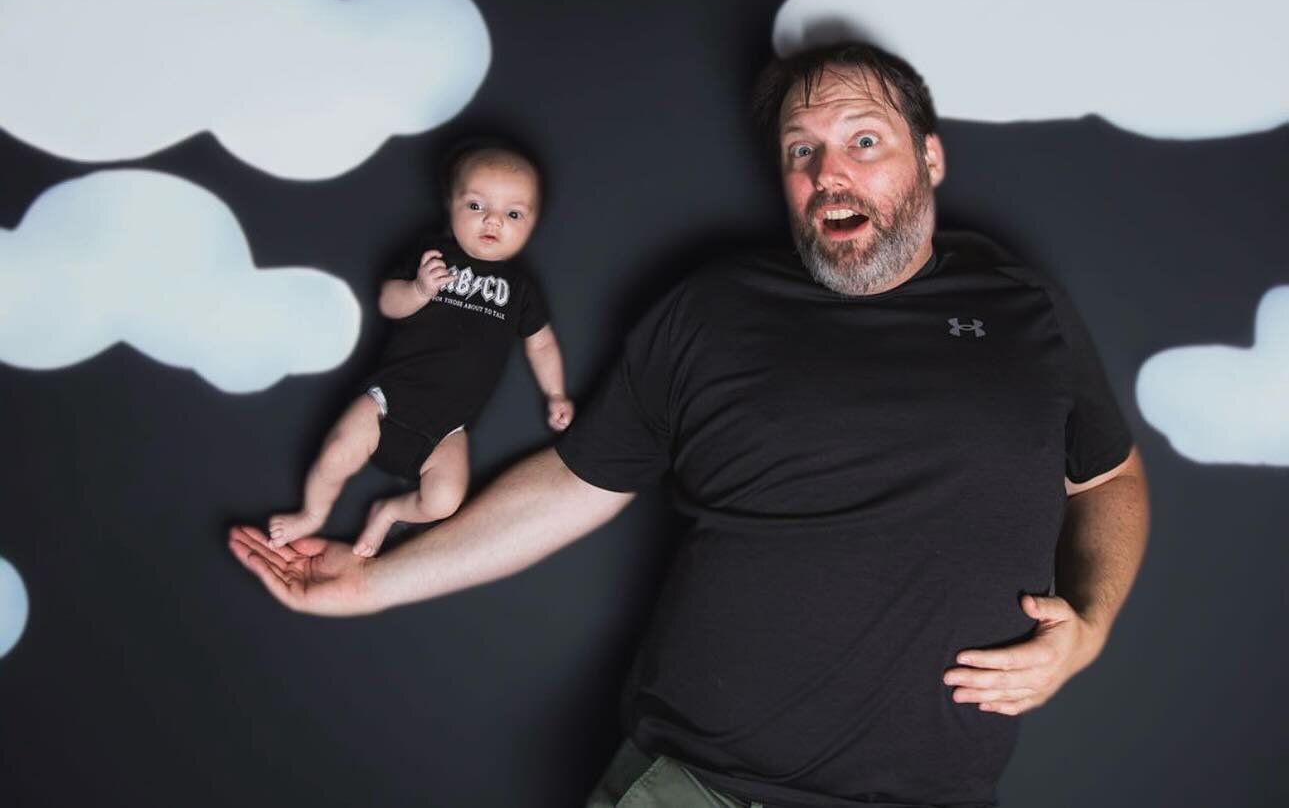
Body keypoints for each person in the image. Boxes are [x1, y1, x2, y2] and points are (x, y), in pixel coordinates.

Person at [230, 43, 1149, 807]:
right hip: (695, 789)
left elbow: (1107, 478)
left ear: (930, 157)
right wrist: (374, 584)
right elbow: (575, 482)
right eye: (801, 150)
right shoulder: (715, 308)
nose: (830, 173)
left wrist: (1094, 626)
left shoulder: (1023, 307)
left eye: (863, 140)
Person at [266, 143, 574, 559]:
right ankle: (312, 513)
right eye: (476, 205)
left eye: (513, 214)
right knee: (337, 452)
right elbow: (387, 302)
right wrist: (418, 289)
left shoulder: (520, 290)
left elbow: (542, 342)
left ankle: (390, 511)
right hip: (387, 399)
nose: (493, 220)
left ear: (532, 224)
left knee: (446, 500)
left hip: (446, 429)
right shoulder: (432, 257)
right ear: (450, 205)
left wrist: (555, 393)